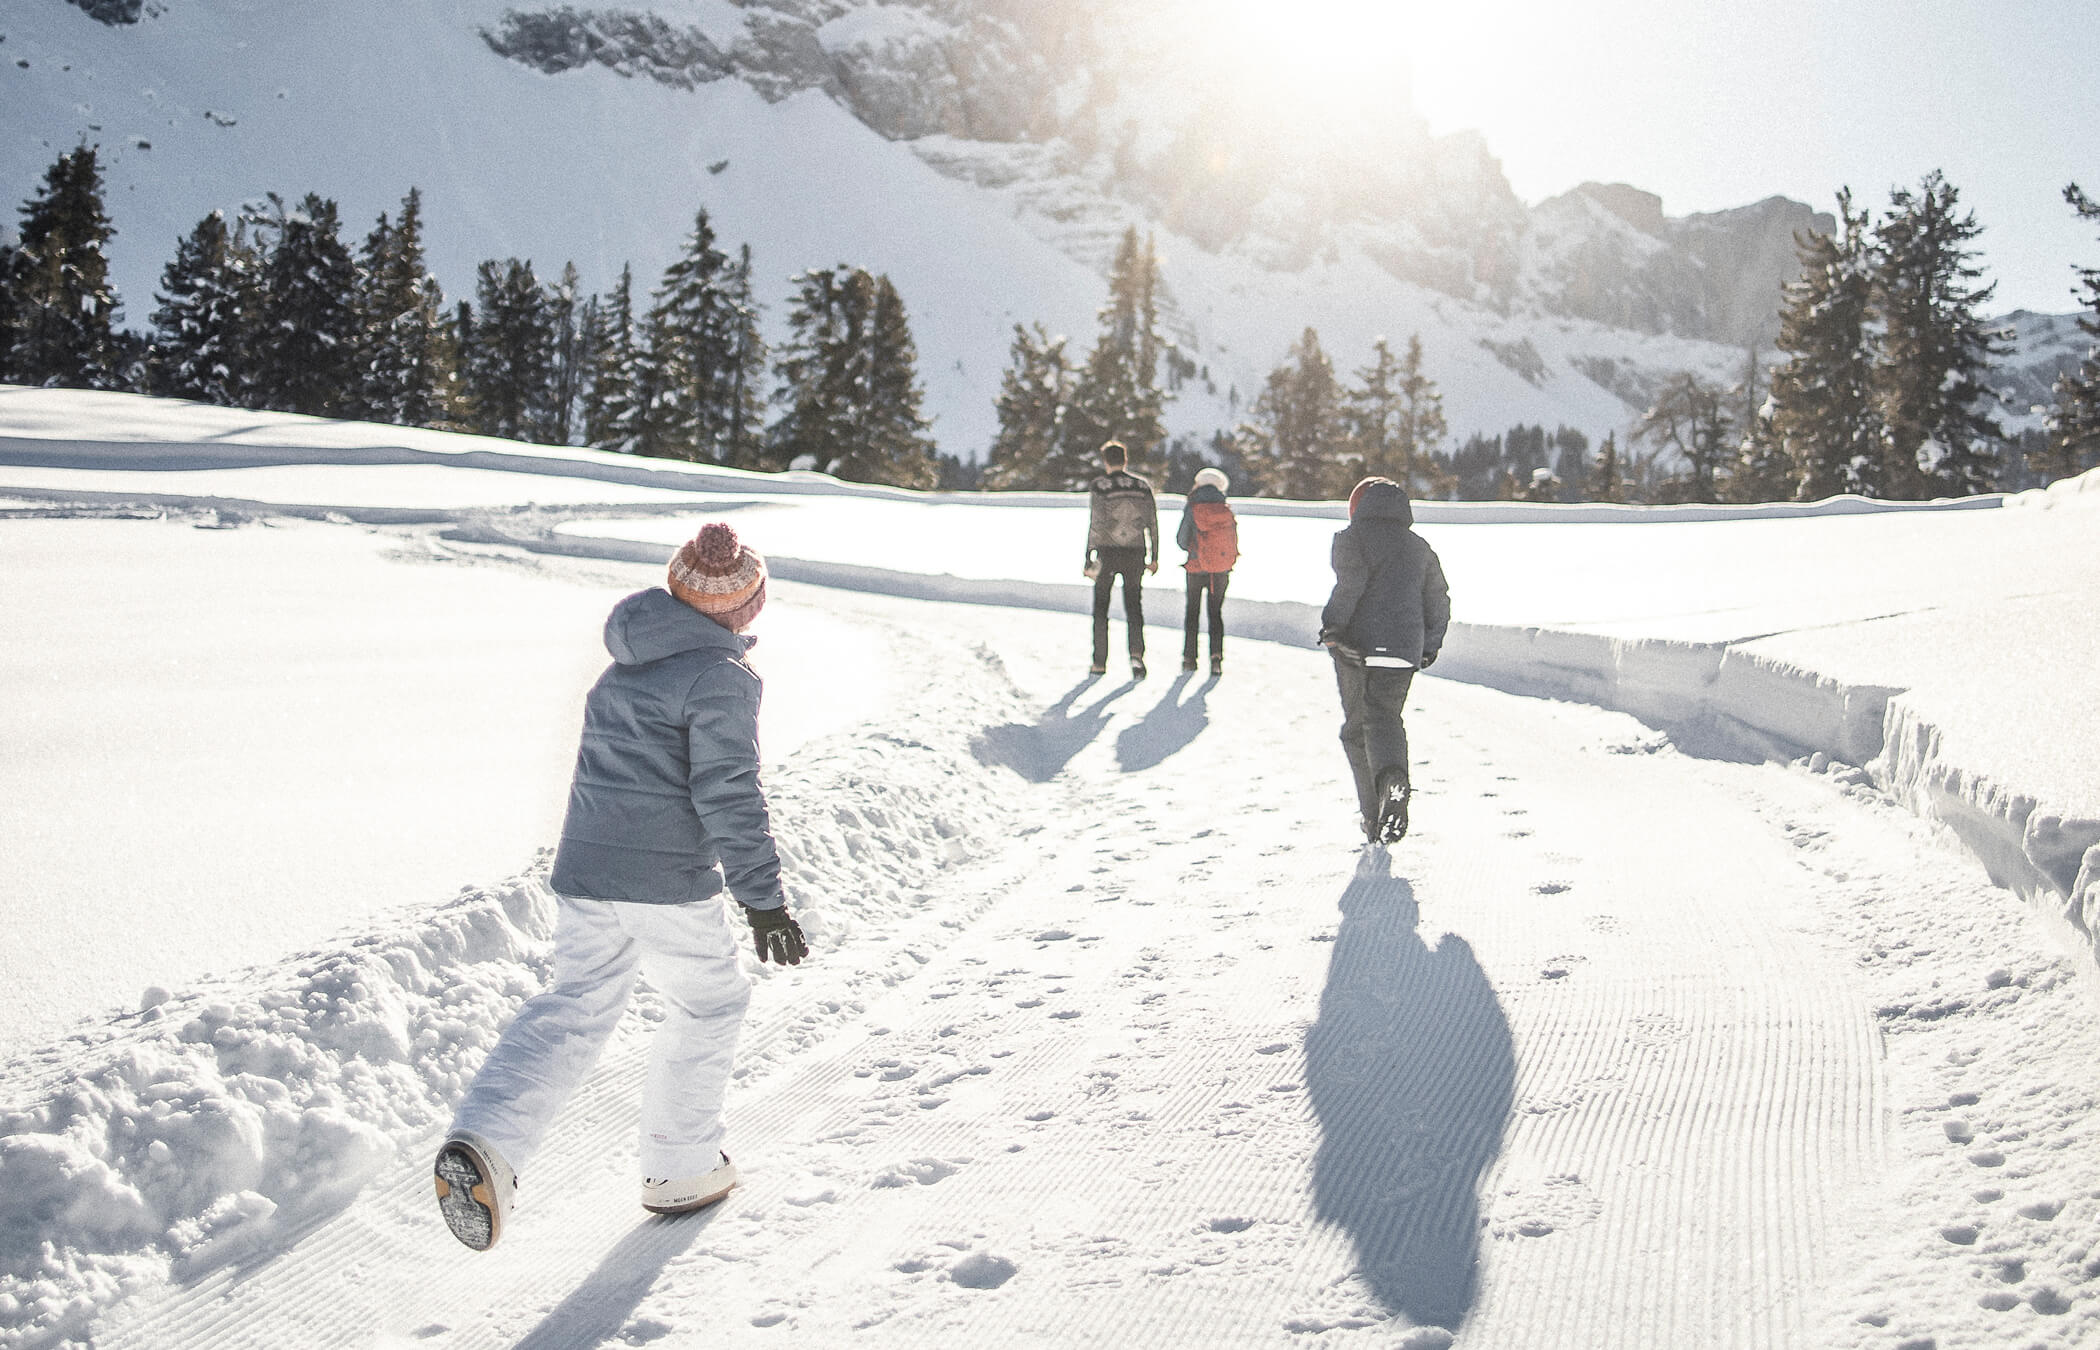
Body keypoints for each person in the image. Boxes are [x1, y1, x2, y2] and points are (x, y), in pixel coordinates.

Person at [434, 521, 809, 1252]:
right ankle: (681, 1165)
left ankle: (486, 1147)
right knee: (709, 1003)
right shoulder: (720, 679)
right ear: (741, 608)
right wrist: (763, 899)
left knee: (575, 1006)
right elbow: (730, 793)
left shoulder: (621, 668)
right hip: (662, 877)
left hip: (586, 871)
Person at [1319, 477, 1450, 844]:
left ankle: (1374, 816)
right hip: (1406, 650)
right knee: (1386, 718)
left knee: (1357, 732)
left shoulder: (1351, 539)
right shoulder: (1419, 546)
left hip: (1360, 647)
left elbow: (1351, 585)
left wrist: (1332, 628)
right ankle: (1393, 780)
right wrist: (1429, 645)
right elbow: (1438, 599)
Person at [1083, 440, 1159, 679]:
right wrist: (1155, 555)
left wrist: (1088, 555)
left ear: (1106, 461)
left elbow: (1096, 522)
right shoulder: (1142, 486)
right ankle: (1137, 658)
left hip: (1108, 551)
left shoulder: (1101, 485)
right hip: (1136, 552)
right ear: (1125, 459)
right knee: (1134, 607)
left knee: (1101, 607)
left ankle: (1099, 662)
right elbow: (1153, 522)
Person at [1176, 465, 1238, 676]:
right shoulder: (1225, 507)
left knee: (1192, 613)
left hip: (1195, 568)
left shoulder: (1192, 506)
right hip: (1219, 571)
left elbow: (1181, 540)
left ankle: (1189, 659)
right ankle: (1216, 658)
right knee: (1215, 613)